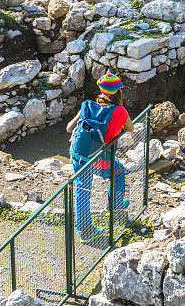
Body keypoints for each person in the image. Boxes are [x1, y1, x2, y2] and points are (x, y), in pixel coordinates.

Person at [66, 73, 134, 245]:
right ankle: (116, 207)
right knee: (118, 172)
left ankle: (85, 230)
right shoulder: (120, 111)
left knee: (82, 191)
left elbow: (69, 128)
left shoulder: (87, 106)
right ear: (119, 91)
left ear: (101, 90)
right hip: (102, 160)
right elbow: (131, 129)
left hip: (80, 157)